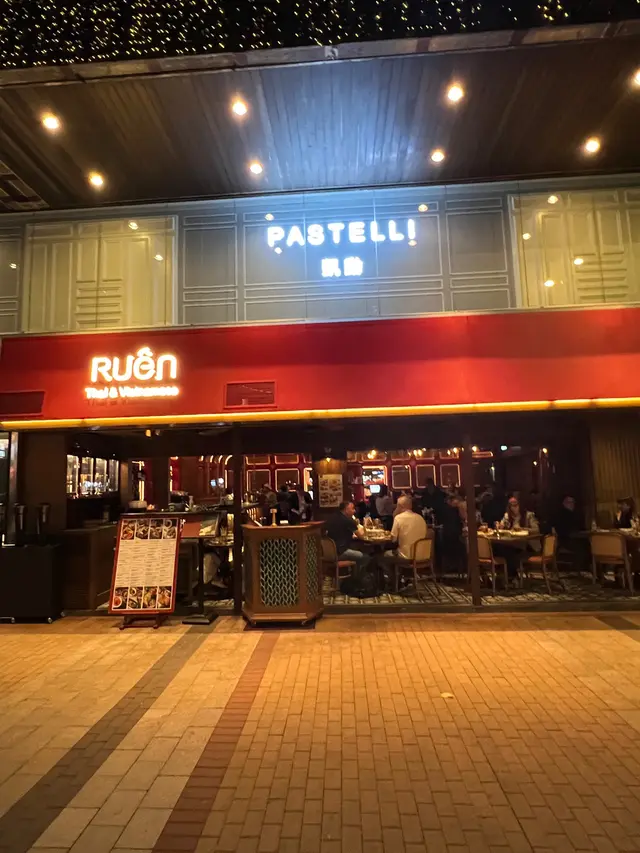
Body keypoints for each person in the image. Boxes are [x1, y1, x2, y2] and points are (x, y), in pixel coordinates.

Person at [324, 501, 369, 570]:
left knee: (355, 548)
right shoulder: (348, 521)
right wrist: (364, 526)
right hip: (339, 552)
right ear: (346, 510)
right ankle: (358, 575)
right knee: (364, 556)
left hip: (327, 552)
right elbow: (361, 536)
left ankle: (352, 572)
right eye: (353, 509)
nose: (354, 511)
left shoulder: (332, 517)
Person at [388, 494, 428, 560]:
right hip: (423, 556)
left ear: (400, 506)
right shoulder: (420, 518)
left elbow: (393, 540)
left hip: (406, 556)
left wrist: (394, 516)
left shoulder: (398, 518)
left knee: (382, 556)